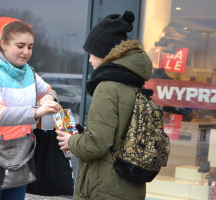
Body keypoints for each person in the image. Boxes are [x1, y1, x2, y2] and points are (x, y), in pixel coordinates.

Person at [56, 11, 153, 200]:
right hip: (129, 185)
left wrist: (71, 141)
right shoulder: (134, 83)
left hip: (104, 187)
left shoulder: (107, 87)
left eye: (92, 54)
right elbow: (117, 135)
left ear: (105, 54)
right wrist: (83, 134)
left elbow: (96, 145)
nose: (90, 60)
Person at [0, 20, 62, 200]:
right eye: (20, 46)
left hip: (21, 157)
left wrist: (48, 99)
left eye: (30, 47)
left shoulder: (28, 71)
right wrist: (37, 111)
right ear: (4, 44)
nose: (26, 52)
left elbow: (48, 90)